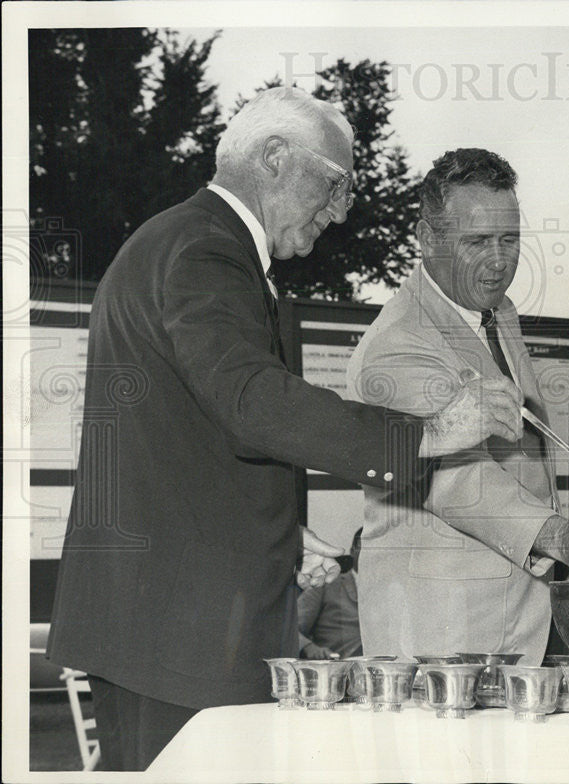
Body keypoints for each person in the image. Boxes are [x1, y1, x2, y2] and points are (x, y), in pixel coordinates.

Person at [45, 88, 524, 770]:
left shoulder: (181, 242)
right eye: (333, 185)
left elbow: (190, 435)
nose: (337, 212)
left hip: (166, 622)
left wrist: (285, 531)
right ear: (273, 158)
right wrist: (427, 433)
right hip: (180, 634)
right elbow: (251, 401)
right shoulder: (206, 249)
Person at [346, 148, 569, 663]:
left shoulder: (497, 312)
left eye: (510, 240)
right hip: (440, 628)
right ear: (427, 238)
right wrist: (558, 536)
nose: (499, 262)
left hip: (514, 611)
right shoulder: (398, 342)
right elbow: (452, 476)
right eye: (477, 242)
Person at [298, 530, 363, 660]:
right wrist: (309, 647)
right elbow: (289, 628)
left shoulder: (393, 594)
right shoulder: (327, 584)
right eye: (368, 550)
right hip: (336, 670)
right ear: (353, 551)